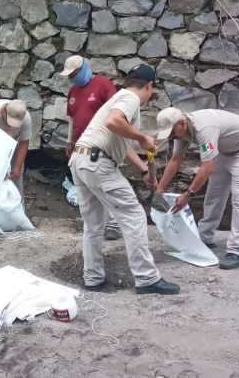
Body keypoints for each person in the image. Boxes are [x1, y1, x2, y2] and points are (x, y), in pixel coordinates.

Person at [69, 64, 180, 295]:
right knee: (134, 215)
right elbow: (113, 123)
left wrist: (142, 170)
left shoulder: (119, 97)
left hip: (81, 160)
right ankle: (147, 278)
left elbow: (119, 139)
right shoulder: (130, 98)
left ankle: (93, 278)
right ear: (149, 86)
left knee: (93, 224)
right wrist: (142, 138)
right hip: (97, 163)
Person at [154, 107, 239, 270]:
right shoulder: (180, 131)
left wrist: (188, 195)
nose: (171, 136)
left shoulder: (204, 129)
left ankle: (237, 250)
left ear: (182, 122)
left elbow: (207, 167)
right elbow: (176, 159)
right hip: (223, 150)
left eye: (172, 132)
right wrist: (159, 190)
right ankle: (204, 238)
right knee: (214, 195)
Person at [61, 55, 122, 240]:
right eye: (70, 76)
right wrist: (69, 140)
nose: (72, 78)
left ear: (85, 68)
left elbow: (115, 111)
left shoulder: (103, 85)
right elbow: (72, 118)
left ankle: (113, 224)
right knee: (86, 187)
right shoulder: (73, 91)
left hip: (101, 145)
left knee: (105, 184)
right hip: (81, 146)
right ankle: (95, 224)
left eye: (75, 74)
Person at [0, 99, 31, 193]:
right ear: (4, 112)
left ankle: (16, 206)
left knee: (16, 183)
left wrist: (17, 167)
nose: (12, 127)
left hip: (14, 145)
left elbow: (24, 142)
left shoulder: (26, 117)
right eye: (10, 122)